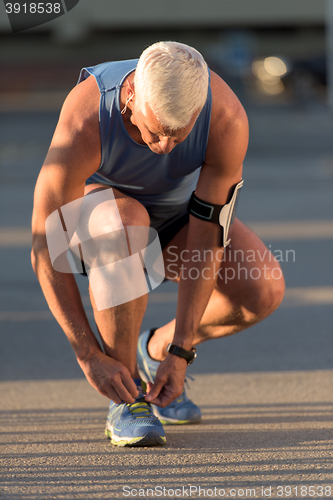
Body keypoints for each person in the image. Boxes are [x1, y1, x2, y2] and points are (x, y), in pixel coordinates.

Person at [31, 41, 285, 447]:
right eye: (154, 131)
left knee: (262, 288)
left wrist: (180, 351)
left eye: (178, 136)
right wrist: (88, 354)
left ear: (199, 110)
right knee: (125, 221)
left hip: (176, 222)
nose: (165, 147)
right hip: (102, 226)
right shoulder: (86, 117)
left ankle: (153, 351)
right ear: (131, 98)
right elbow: (45, 249)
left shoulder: (225, 117)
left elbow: (206, 240)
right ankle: (128, 393)